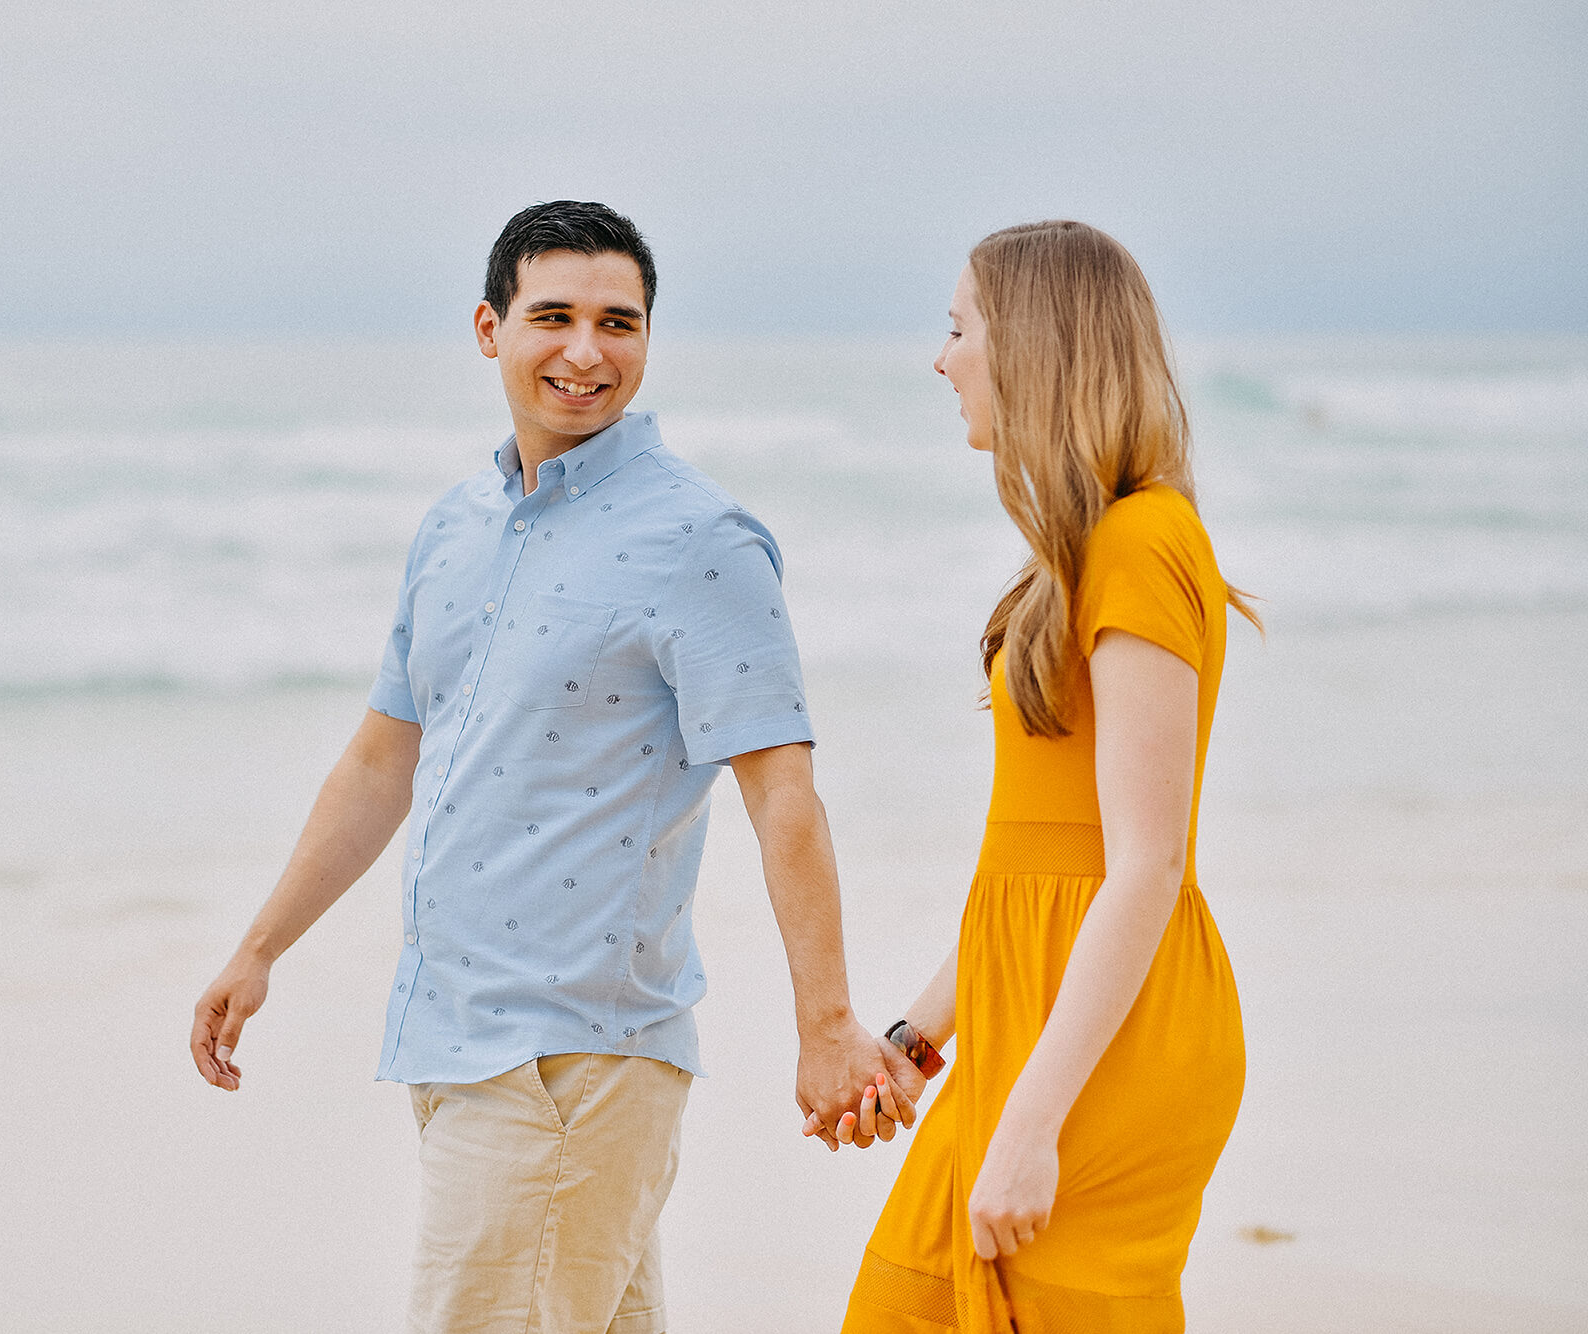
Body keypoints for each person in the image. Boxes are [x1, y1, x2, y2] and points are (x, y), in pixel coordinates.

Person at [189, 200, 903, 1334]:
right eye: (553, 315)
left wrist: (825, 1021)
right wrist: (260, 944)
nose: (585, 350)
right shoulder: (457, 525)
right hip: (451, 1041)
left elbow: (782, 791)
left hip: (570, 1063)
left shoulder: (699, 541)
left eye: (617, 321)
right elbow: (382, 756)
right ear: (489, 326)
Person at [830, 220, 1258, 1332]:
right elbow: (1034, 861)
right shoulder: (1078, 555)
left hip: (1104, 1048)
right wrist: (916, 1040)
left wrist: (1028, 1123)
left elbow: (1142, 867)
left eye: (959, 327)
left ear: (1032, 346)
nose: (942, 359)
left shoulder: (1138, 542)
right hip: (1032, 1026)